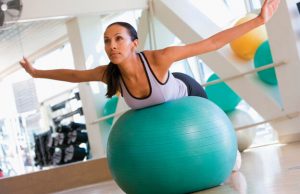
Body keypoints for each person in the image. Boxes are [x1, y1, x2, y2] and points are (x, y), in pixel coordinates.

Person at [20, 0, 280, 110]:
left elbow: (211, 43)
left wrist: (258, 20)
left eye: (118, 39)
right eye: (107, 41)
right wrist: (36, 73)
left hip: (187, 93)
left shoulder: (159, 58)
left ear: (134, 44)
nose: (112, 46)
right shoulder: (109, 75)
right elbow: (74, 75)